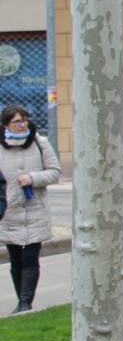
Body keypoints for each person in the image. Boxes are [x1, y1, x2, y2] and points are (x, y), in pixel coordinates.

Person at [0, 106, 60, 313]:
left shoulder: (39, 143)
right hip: (9, 212)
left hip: (35, 209)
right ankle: (22, 302)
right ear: (6, 124)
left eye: (24, 120)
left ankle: (25, 302)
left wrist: (33, 178)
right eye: (17, 121)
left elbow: (54, 172)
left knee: (30, 258)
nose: (22, 124)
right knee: (15, 260)